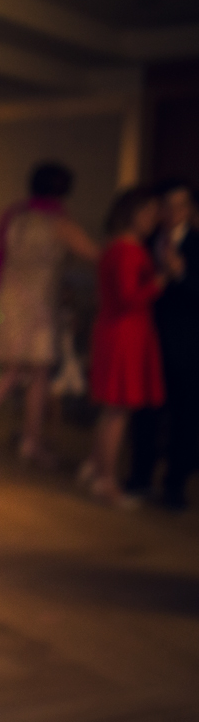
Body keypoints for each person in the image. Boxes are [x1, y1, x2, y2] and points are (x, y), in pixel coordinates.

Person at [0, 162, 100, 463]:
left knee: (13, 371)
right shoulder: (58, 223)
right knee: (36, 373)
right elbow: (95, 254)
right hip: (39, 305)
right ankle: (25, 439)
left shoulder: (15, 217)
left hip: (10, 302)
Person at [81, 187, 180, 506]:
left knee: (111, 409)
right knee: (117, 410)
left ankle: (97, 468)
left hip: (117, 330)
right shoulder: (127, 249)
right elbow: (128, 296)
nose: (154, 218)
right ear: (133, 213)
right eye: (148, 212)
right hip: (126, 332)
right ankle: (107, 480)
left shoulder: (115, 247)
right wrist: (161, 281)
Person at [127, 180, 199, 509]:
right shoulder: (145, 239)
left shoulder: (195, 244)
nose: (171, 213)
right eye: (166, 206)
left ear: (189, 209)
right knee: (144, 413)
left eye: (179, 206)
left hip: (185, 345)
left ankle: (174, 485)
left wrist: (180, 274)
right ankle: (140, 476)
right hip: (145, 339)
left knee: (184, 416)